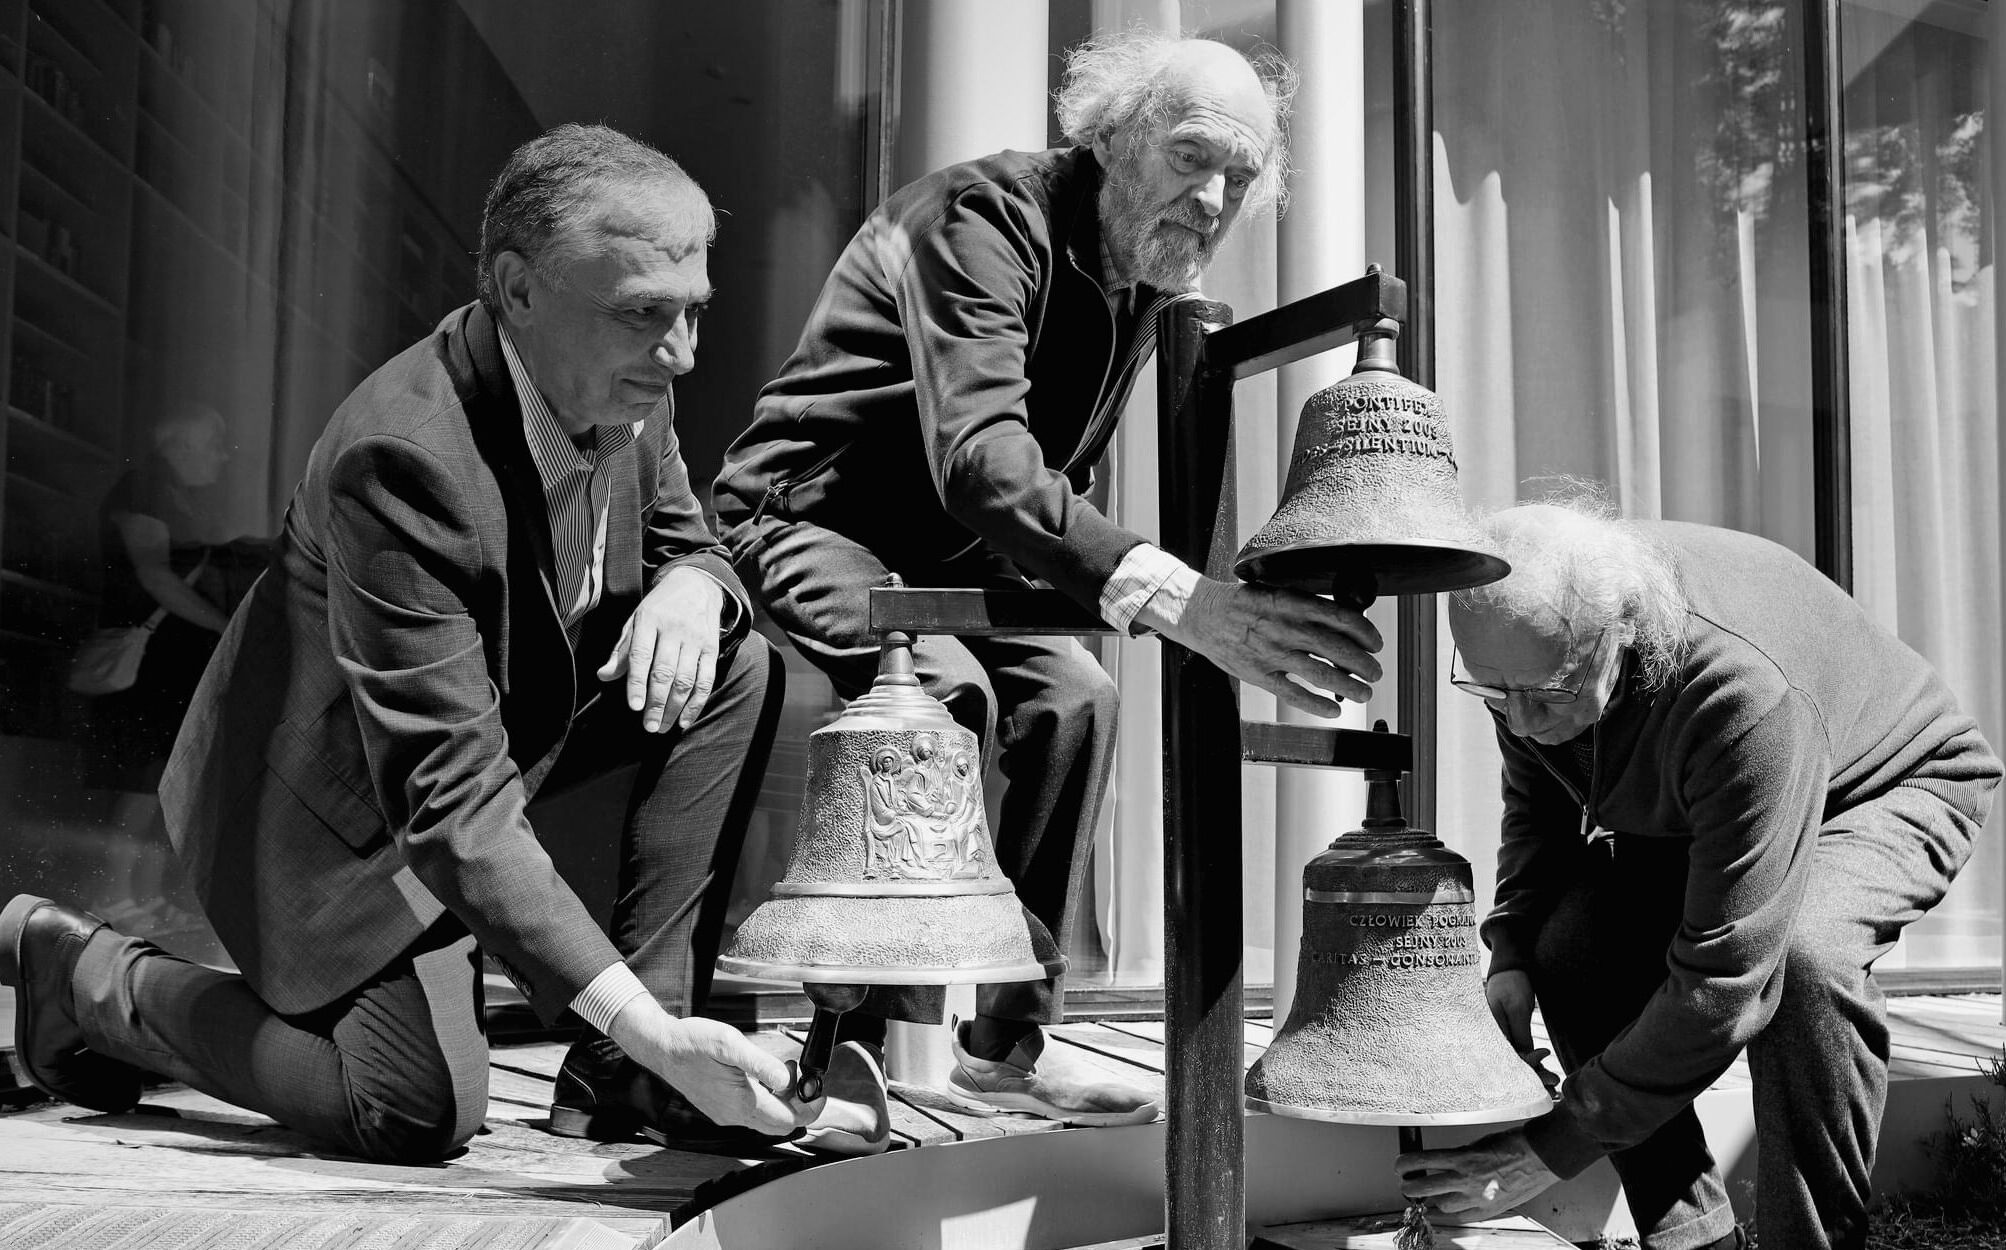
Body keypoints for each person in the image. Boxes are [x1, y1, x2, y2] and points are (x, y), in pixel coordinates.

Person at [0, 123, 887, 1164]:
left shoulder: (630, 379)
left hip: (504, 739)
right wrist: (633, 1014)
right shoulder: (403, 458)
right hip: (343, 813)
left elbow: (696, 540)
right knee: (409, 1108)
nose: (680, 352)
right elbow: (448, 795)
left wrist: (694, 582)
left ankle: (627, 1076)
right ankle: (89, 976)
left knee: (728, 659)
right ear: (515, 291)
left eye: (693, 313)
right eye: (645, 315)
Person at [714, 30, 1383, 1126]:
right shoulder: (974, 221)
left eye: (1241, 176)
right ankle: (846, 1044)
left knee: (1078, 698)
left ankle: (1004, 1041)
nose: (1214, 199)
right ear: (1109, 136)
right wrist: (1185, 602)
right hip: (805, 518)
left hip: (952, 559)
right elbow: (983, 462)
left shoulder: (1136, 272)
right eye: (1190, 157)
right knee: (938, 700)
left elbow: (1029, 490)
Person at [1395, 501, 1999, 1250]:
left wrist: (1551, 1147)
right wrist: (1511, 955)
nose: (1518, 722)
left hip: (1886, 783)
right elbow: (1540, 811)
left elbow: (1723, 983)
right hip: (1713, 796)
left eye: (1544, 698)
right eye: (1492, 694)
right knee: (1570, 943)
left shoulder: (1740, 693)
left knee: (1805, 962)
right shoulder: (1528, 652)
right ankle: (1693, 1239)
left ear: (1619, 634)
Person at [80, 402, 244, 932]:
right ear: (178, 446)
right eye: (212, 444)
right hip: (147, 666)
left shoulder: (173, 496)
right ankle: (112, 896)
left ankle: (139, 895)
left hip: (167, 666)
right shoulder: (145, 491)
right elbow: (155, 576)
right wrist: (224, 627)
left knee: (155, 785)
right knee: (138, 783)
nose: (222, 456)